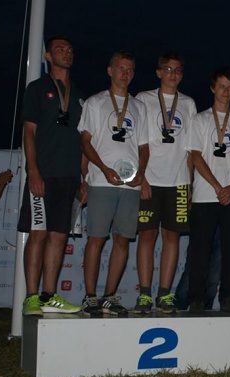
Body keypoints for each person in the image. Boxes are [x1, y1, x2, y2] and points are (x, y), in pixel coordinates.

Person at [78, 50, 149, 316]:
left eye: (130, 69)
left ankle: (109, 297)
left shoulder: (139, 107)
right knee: (96, 239)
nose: (125, 73)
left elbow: (143, 146)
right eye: (120, 68)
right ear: (110, 71)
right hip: (102, 181)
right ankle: (90, 297)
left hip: (129, 185)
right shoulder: (95, 103)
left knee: (122, 240)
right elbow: (85, 142)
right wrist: (103, 169)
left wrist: (141, 172)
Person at [18, 36, 85, 316]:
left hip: (69, 177)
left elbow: (83, 141)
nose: (66, 53)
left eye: (69, 49)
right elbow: (29, 132)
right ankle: (31, 297)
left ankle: (49, 294)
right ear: (47, 56)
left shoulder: (79, 94)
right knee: (39, 234)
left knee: (59, 236)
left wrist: (84, 178)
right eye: (60, 49)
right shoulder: (37, 88)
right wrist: (33, 170)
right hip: (43, 174)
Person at [133, 52, 197, 314]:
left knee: (172, 238)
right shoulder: (143, 99)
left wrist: (190, 185)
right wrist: (142, 178)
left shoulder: (189, 103)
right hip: (150, 179)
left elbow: (191, 149)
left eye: (177, 70)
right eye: (168, 69)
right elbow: (136, 142)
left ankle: (164, 295)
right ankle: (144, 295)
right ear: (158, 72)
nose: (173, 74)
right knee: (147, 236)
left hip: (178, 182)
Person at [188, 67, 230, 314]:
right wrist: (217, 186)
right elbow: (195, 156)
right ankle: (196, 299)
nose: (226, 91)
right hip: (206, 194)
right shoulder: (200, 120)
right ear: (213, 88)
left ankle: (229, 298)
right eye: (222, 86)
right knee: (200, 249)